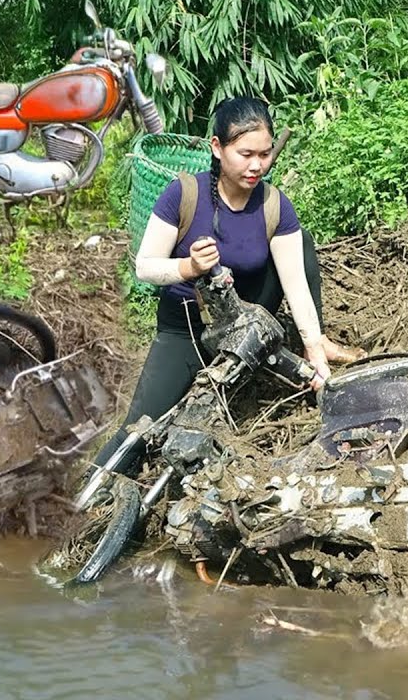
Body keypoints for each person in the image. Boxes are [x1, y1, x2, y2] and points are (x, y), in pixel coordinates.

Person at [92, 97, 361, 474]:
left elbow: (295, 282)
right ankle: (88, 492)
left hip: (246, 321)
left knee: (301, 241)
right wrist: (188, 266)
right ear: (217, 148)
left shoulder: (274, 204)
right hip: (187, 325)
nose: (256, 166)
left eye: (264, 154)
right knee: (138, 430)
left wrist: (314, 350)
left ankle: (307, 345)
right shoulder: (184, 194)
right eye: (245, 154)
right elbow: (146, 267)